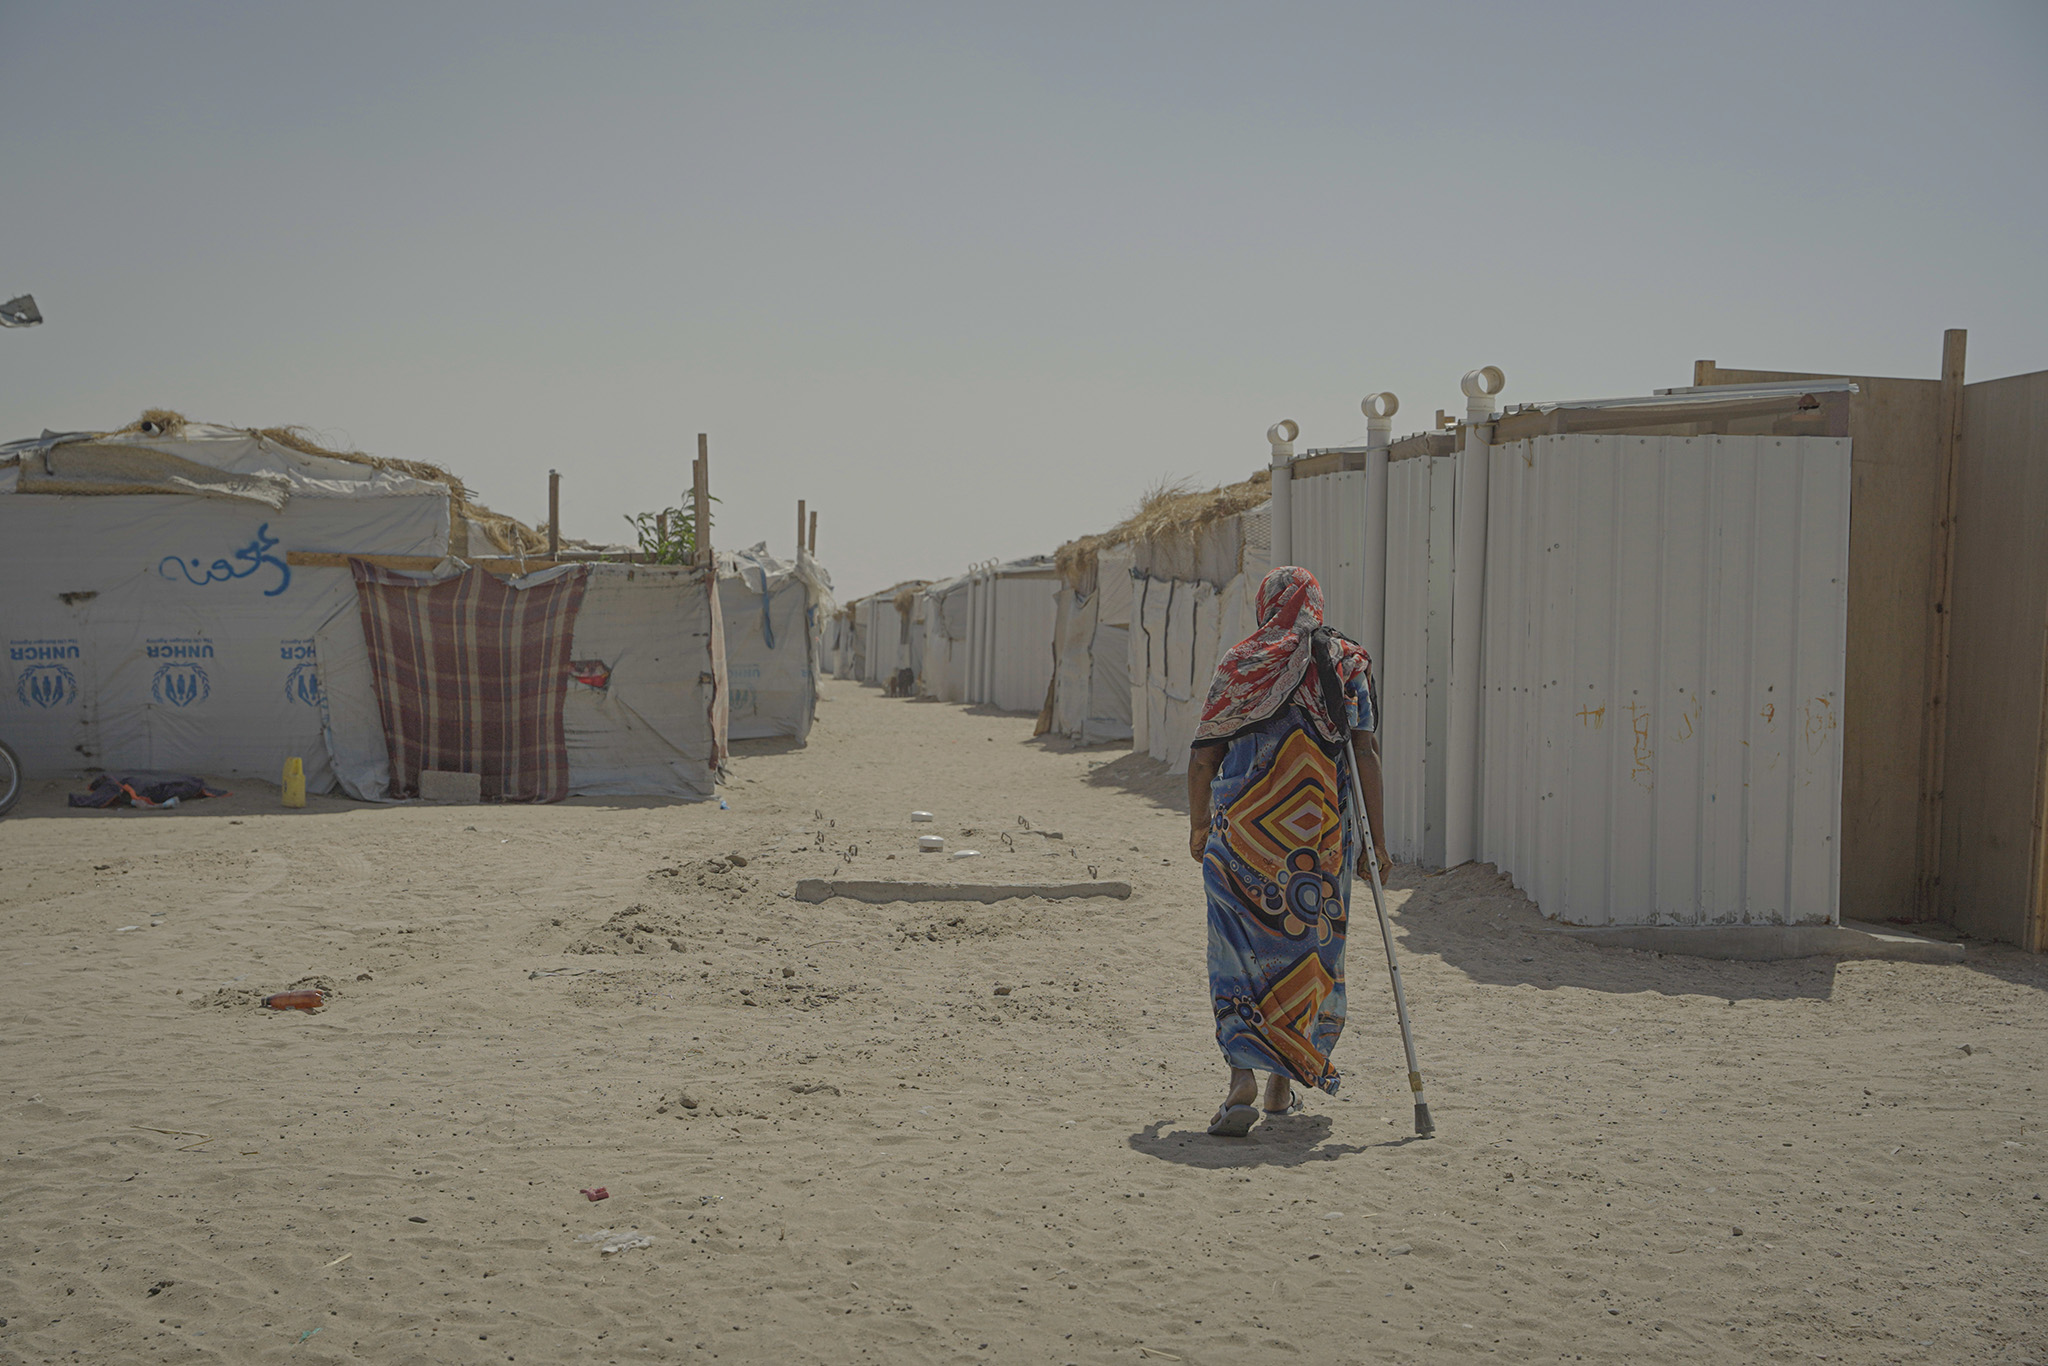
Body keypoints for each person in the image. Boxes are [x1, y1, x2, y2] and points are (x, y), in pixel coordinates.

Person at [1187, 565, 1387, 1137]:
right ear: (1316, 606)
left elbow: (1204, 757)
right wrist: (1375, 842)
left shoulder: (1239, 664)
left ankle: (1242, 1080)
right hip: (1314, 848)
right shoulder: (1347, 664)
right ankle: (1281, 1087)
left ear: (1265, 606)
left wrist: (1199, 826)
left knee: (1237, 956)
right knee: (1306, 956)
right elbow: (1365, 753)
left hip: (1242, 840)